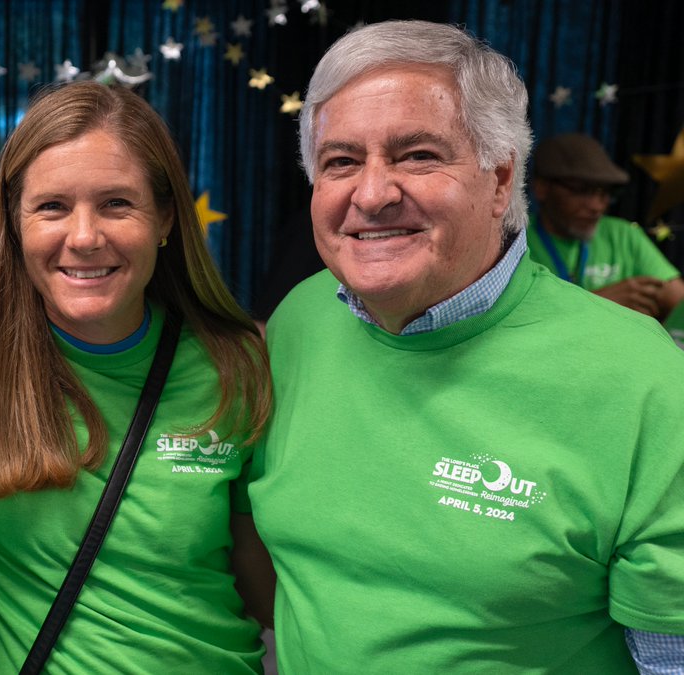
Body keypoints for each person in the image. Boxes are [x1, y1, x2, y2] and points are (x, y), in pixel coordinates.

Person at [251, 20, 684, 673]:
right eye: (341, 161)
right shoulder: (297, 324)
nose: (371, 193)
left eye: (418, 155)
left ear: (502, 178)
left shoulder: (645, 380)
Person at [0, 81, 275, 673]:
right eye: (51, 207)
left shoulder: (237, 367)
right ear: (15, 223)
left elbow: (272, 594)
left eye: (117, 204)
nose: (84, 237)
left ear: (166, 218)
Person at [528, 132, 684, 319]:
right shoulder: (514, 240)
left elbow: (679, 305)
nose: (596, 206)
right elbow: (512, 325)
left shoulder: (622, 234)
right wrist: (596, 303)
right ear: (542, 188)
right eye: (581, 190)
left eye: (604, 193)